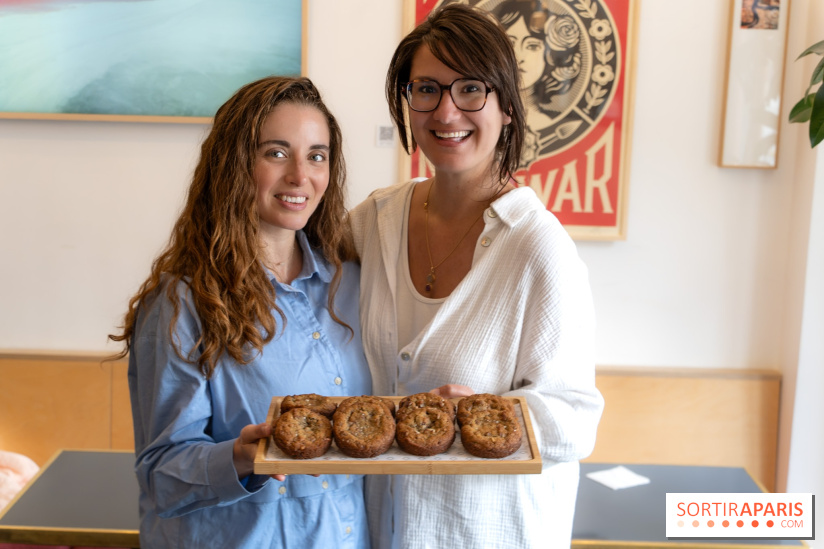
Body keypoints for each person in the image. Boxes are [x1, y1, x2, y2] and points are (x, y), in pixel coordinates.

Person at [349, 4, 604, 548]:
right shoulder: (375, 221)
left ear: (507, 106)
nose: (446, 111)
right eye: (426, 89)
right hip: (382, 529)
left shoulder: (539, 248)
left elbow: (577, 421)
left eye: (470, 89)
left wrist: (487, 416)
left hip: (487, 532)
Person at [109, 76, 371, 548]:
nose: (300, 175)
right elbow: (161, 475)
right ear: (234, 165)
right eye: (276, 153)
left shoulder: (350, 283)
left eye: (317, 155)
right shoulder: (183, 302)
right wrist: (241, 457)